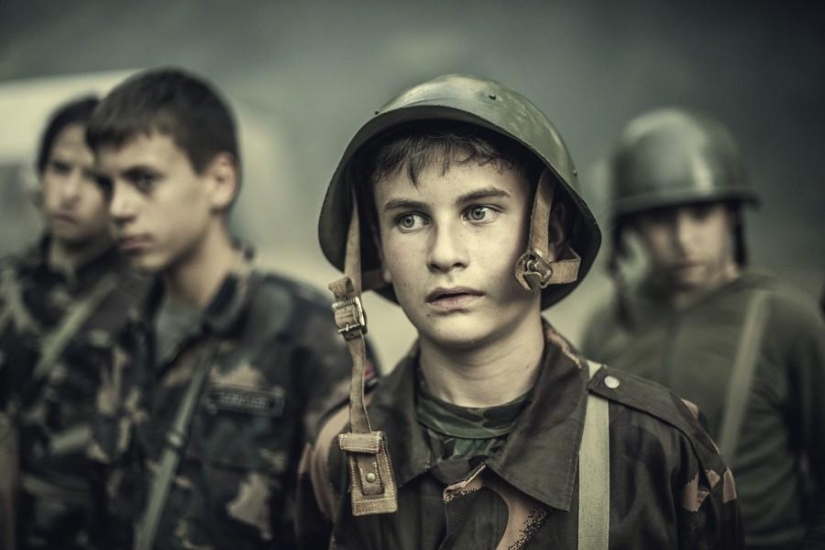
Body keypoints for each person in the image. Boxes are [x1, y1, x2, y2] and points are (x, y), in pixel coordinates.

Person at [297, 75, 743, 549]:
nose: (444, 254)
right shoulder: (339, 455)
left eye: (479, 212)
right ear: (379, 251)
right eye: (409, 219)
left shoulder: (660, 449)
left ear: (548, 235)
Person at [85, 68, 364, 549]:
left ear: (218, 181)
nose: (118, 207)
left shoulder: (306, 333)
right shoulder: (117, 328)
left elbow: (357, 523)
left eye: (143, 180)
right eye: (108, 185)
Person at [581, 107, 825, 549]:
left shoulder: (788, 322)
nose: (683, 238)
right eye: (660, 218)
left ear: (731, 213)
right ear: (632, 226)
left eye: (700, 212)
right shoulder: (607, 327)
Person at [0, 96, 147, 549]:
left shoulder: (146, 299)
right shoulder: (7, 284)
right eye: (60, 169)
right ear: (40, 174)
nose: (70, 192)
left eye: (94, 179)